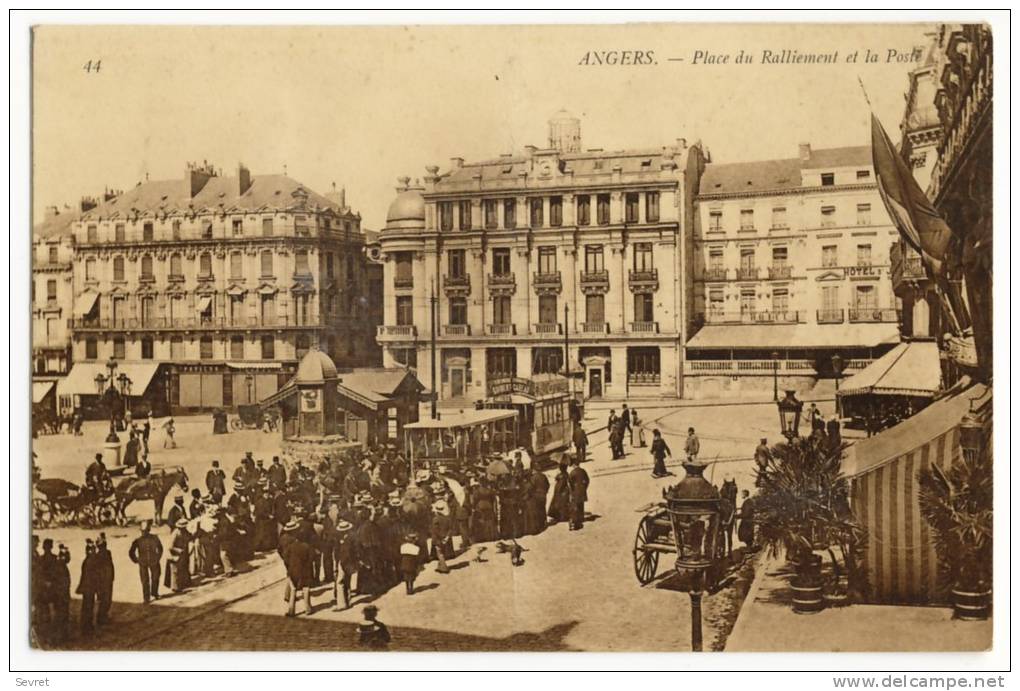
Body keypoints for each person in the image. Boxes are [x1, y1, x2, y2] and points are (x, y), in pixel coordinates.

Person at [281, 520, 314, 617]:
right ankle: (308, 609)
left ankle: (291, 610)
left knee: (293, 589)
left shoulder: (290, 547)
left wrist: (289, 566)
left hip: (293, 570)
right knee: (306, 588)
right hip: (304, 570)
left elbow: (285, 558)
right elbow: (311, 558)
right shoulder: (306, 546)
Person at [129, 520, 163, 604]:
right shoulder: (138, 541)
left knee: (155, 577)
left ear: (149, 530)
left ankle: (154, 593)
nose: (144, 533)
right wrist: (136, 560)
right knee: (144, 580)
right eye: (143, 531)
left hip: (154, 561)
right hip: (143, 563)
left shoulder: (155, 538)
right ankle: (146, 597)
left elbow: (160, 548)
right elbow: (131, 552)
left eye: (146, 531)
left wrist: (157, 558)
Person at [76, 539, 99, 635]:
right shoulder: (90, 561)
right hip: (89, 587)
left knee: (87, 606)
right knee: (88, 607)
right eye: (93, 550)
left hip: (87, 587)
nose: (95, 552)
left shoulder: (87, 560)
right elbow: (92, 576)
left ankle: (86, 626)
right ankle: (86, 627)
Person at [166, 519, 192, 593]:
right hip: (175, 554)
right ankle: (175, 587)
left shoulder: (185, 532)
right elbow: (170, 546)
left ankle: (183, 583)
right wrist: (179, 550)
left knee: (183, 569)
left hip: (183, 554)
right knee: (175, 571)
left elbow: (190, 537)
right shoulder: (175, 533)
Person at [95, 533, 115, 626]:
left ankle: (103, 616)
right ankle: (101, 618)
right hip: (104, 581)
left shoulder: (107, 553)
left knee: (107, 600)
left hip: (107, 579)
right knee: (105, 599)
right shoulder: (100, 555)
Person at [567, 455, 589, 531]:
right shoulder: (583, 471)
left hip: (575, 491)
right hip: (582, 490)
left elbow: (570, 483)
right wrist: (585, 487)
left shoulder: (572, 473)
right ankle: (581, 517)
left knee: (575, 505)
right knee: (581, 504)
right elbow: (587, 480)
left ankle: (577, 519)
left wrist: (571, 491)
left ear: (573, 465)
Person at [400, 531, 422, 595]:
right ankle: (411, 588)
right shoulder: (416, 548)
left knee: (406, 576)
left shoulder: (403, 546)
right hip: (412, 563)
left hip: (404, 562)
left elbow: (401, 553)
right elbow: (417, 556)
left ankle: (407, 589)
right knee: (412, 576)